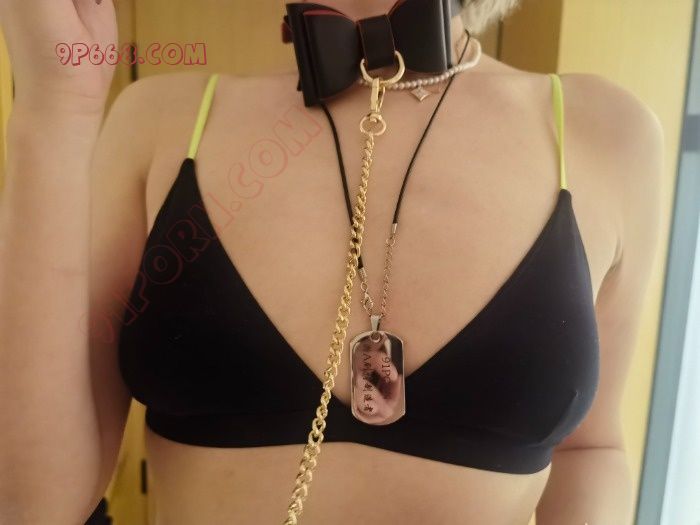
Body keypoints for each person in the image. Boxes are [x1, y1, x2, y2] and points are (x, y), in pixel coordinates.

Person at [0, 0, 664, 524]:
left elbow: (591, 448)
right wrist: (56, 104)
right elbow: (32, 509)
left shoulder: (604, 132)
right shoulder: (159, 120)